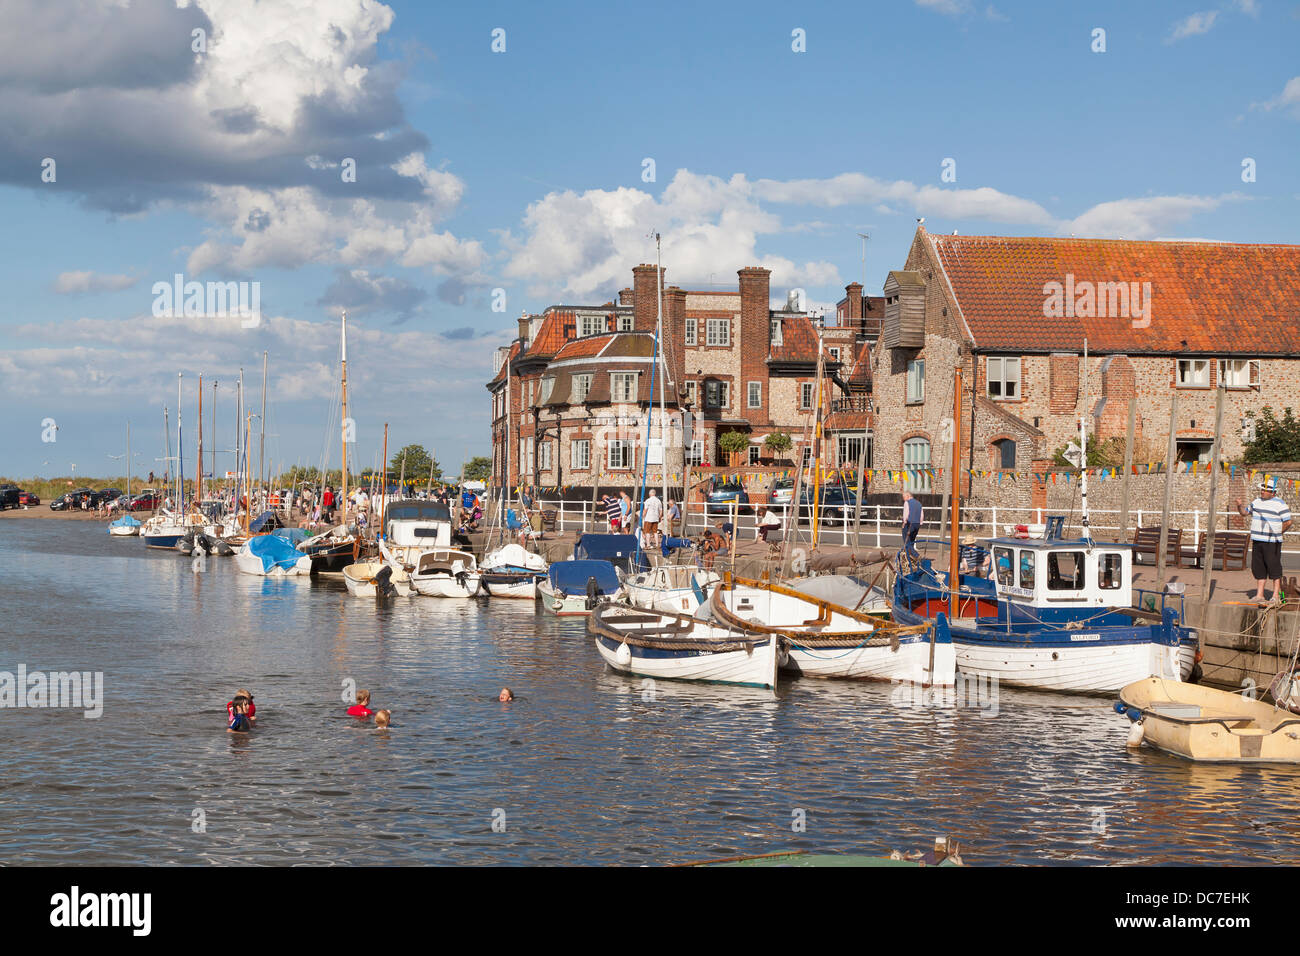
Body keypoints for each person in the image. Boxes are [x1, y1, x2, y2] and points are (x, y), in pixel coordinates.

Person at [1237, 483, 1293, 606]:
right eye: (1262, 489)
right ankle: (1259, 595)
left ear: (1273, 492)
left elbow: (1288, 522)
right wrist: (1239, 506)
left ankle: (1275, 596)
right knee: (1258, 567)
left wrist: (1278, 532)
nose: (1262, 491)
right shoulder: (1256, 501)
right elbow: (1244, 513)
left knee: (1274, 567)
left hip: (1272, 541)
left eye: (1265, 490)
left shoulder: (1280, 504)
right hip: (1257, 539)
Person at [901, 491, 922, 560]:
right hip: (917, 524)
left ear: (908, 496)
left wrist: (904, 522)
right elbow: (922, 514)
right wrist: (920, 522)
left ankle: (917, 556)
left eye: (904, 497)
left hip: (909, 524)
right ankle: (910, 558)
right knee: (912, 542)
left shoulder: (907, 502)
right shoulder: (919, 503)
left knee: (907, 542)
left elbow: (906, 513)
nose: (903, 499)